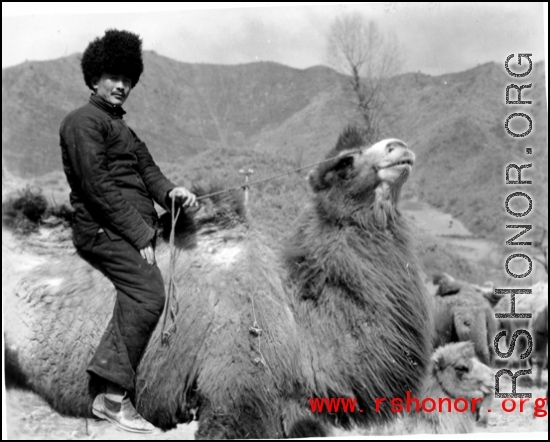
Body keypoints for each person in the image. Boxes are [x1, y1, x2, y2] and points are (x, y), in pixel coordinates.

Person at [59, 29, 196, 433]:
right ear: (94, 80)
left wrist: (173, 193)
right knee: (148, 291)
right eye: (113, 77)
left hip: (129, 226)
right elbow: (96, 187)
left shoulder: (125, 130)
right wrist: (140, 237)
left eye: (128, 80)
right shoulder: (81, 122)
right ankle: (113, 397)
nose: (122, 86)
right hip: (101, 229)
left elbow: (149, 173)